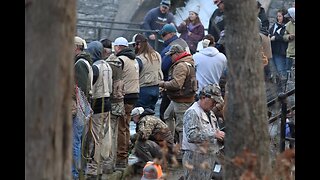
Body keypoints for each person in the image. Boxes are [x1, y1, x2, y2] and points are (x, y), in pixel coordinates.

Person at [158, 44, 197, 161]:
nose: (170, 58)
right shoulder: (189, 62)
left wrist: (163, 84)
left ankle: (182, 151)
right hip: (182, 98)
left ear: (177, 54)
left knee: (181, 126)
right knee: (168, 115)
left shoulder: (180, 65)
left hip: (181, 100)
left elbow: (176, 84)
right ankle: (171, 143)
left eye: (171, 55)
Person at [182, 84, 225, 179]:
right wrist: (213, 134)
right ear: (203, 97)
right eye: (213, 101)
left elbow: (215, 132)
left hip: (208, 156)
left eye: (216, 102)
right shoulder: (192, 112)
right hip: (194, 157)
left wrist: (221, 138)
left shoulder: (211, 113)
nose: (214, 104)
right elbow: (191, 135)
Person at [85, 40, 113, 176]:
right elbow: (111, 86)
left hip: (97, 104)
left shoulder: (94, 67)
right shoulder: (107, 65)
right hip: (107, 102)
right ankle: (100, 165)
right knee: (102, 136)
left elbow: (90, 88)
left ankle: (93, 168)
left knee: (94, 137)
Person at [113, 37, 140, 169]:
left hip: (125, 96)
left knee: (121, 128)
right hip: (134, 95)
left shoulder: (120, 60)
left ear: (118, 47)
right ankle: (125, 154)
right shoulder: (134, 59)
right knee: (127, 126)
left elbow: (116, 79)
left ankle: (121, 157)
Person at [158, 23, 190, 122]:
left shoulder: (172, 46)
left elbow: (164, 66)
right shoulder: (183, 42)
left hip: (173, 84)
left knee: (165, 114)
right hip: (185, 84)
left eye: (163, 35)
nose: (162, 37)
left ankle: (168, 136)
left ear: (171, 34)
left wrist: (162, 83)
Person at [72, 36, 93, 179]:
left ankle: (73, 173)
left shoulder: (79, 64)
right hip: (82, 107)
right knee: (78, 141)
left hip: (78, 107)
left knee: (75, 142)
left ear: (76, 47)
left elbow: (80, 89)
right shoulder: (85, 61)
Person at [130, 107, 175, 171]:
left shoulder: (146, 120)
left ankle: (152, 167)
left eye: (133, 117)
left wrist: (130, 138)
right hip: (165, 149)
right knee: (139, 144)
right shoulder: (149, 118)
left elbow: (143, 136)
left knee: (140, 144)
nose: (133, 121)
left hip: (165, 151)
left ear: (137, 116)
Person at [130, 33, 163, 111]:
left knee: (140, 116)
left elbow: (135, 75)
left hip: (143, 90)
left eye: (134, 45)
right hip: (156, 89)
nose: (133, 47)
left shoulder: (139, 59)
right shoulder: (157, 54)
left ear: (139, 45)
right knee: (150, 115)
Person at [268, 9, 289, 91]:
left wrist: (276, 37)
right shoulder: (275, 25)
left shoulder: (287, 26)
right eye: (277, 16)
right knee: (275, 72)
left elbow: (285, 37)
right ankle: (279, 90)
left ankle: (283, 90)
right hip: (273, 50)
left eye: (280, 16)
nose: (278, 18)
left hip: (280, 51)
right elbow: (271, 32)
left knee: (281, 71)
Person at [283, 7, 295, 79]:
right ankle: (287, 88)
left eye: (290, 17)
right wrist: (289, 37)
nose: (289, 19)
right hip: (290, 52)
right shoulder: (288, 25)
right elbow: (284, 36)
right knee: (288, 72)